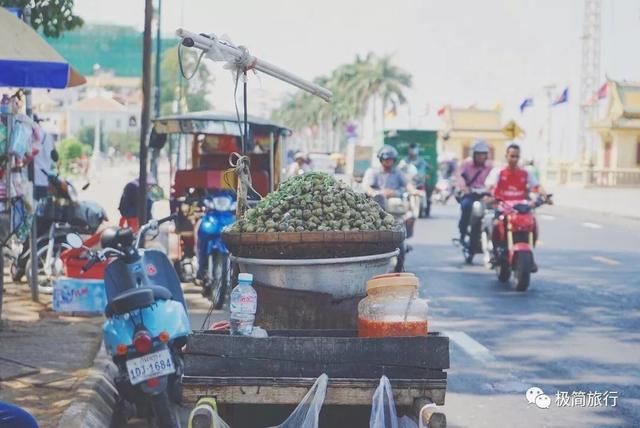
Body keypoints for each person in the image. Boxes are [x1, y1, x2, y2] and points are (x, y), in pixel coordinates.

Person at [456, 139, 493, 243]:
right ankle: (463, 233)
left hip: (485, 194)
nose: (481, 157)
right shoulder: (466, 164)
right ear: (473, 154)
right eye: (478, 154)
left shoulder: (490, 166)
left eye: (483, 154)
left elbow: (494, 179)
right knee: (466, 206)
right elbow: (459, 177)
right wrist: (464, 188)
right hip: (471, 193)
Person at [398, 143, 434, 217]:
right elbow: (398, 169)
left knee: (428, 193)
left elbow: (429, 167)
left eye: (414, 149)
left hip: (420, 182)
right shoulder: (405, 160)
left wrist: (427, 174)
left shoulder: (421, 160)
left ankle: (426, 209)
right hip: (409, 182)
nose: (413, 151)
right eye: (411, 149)